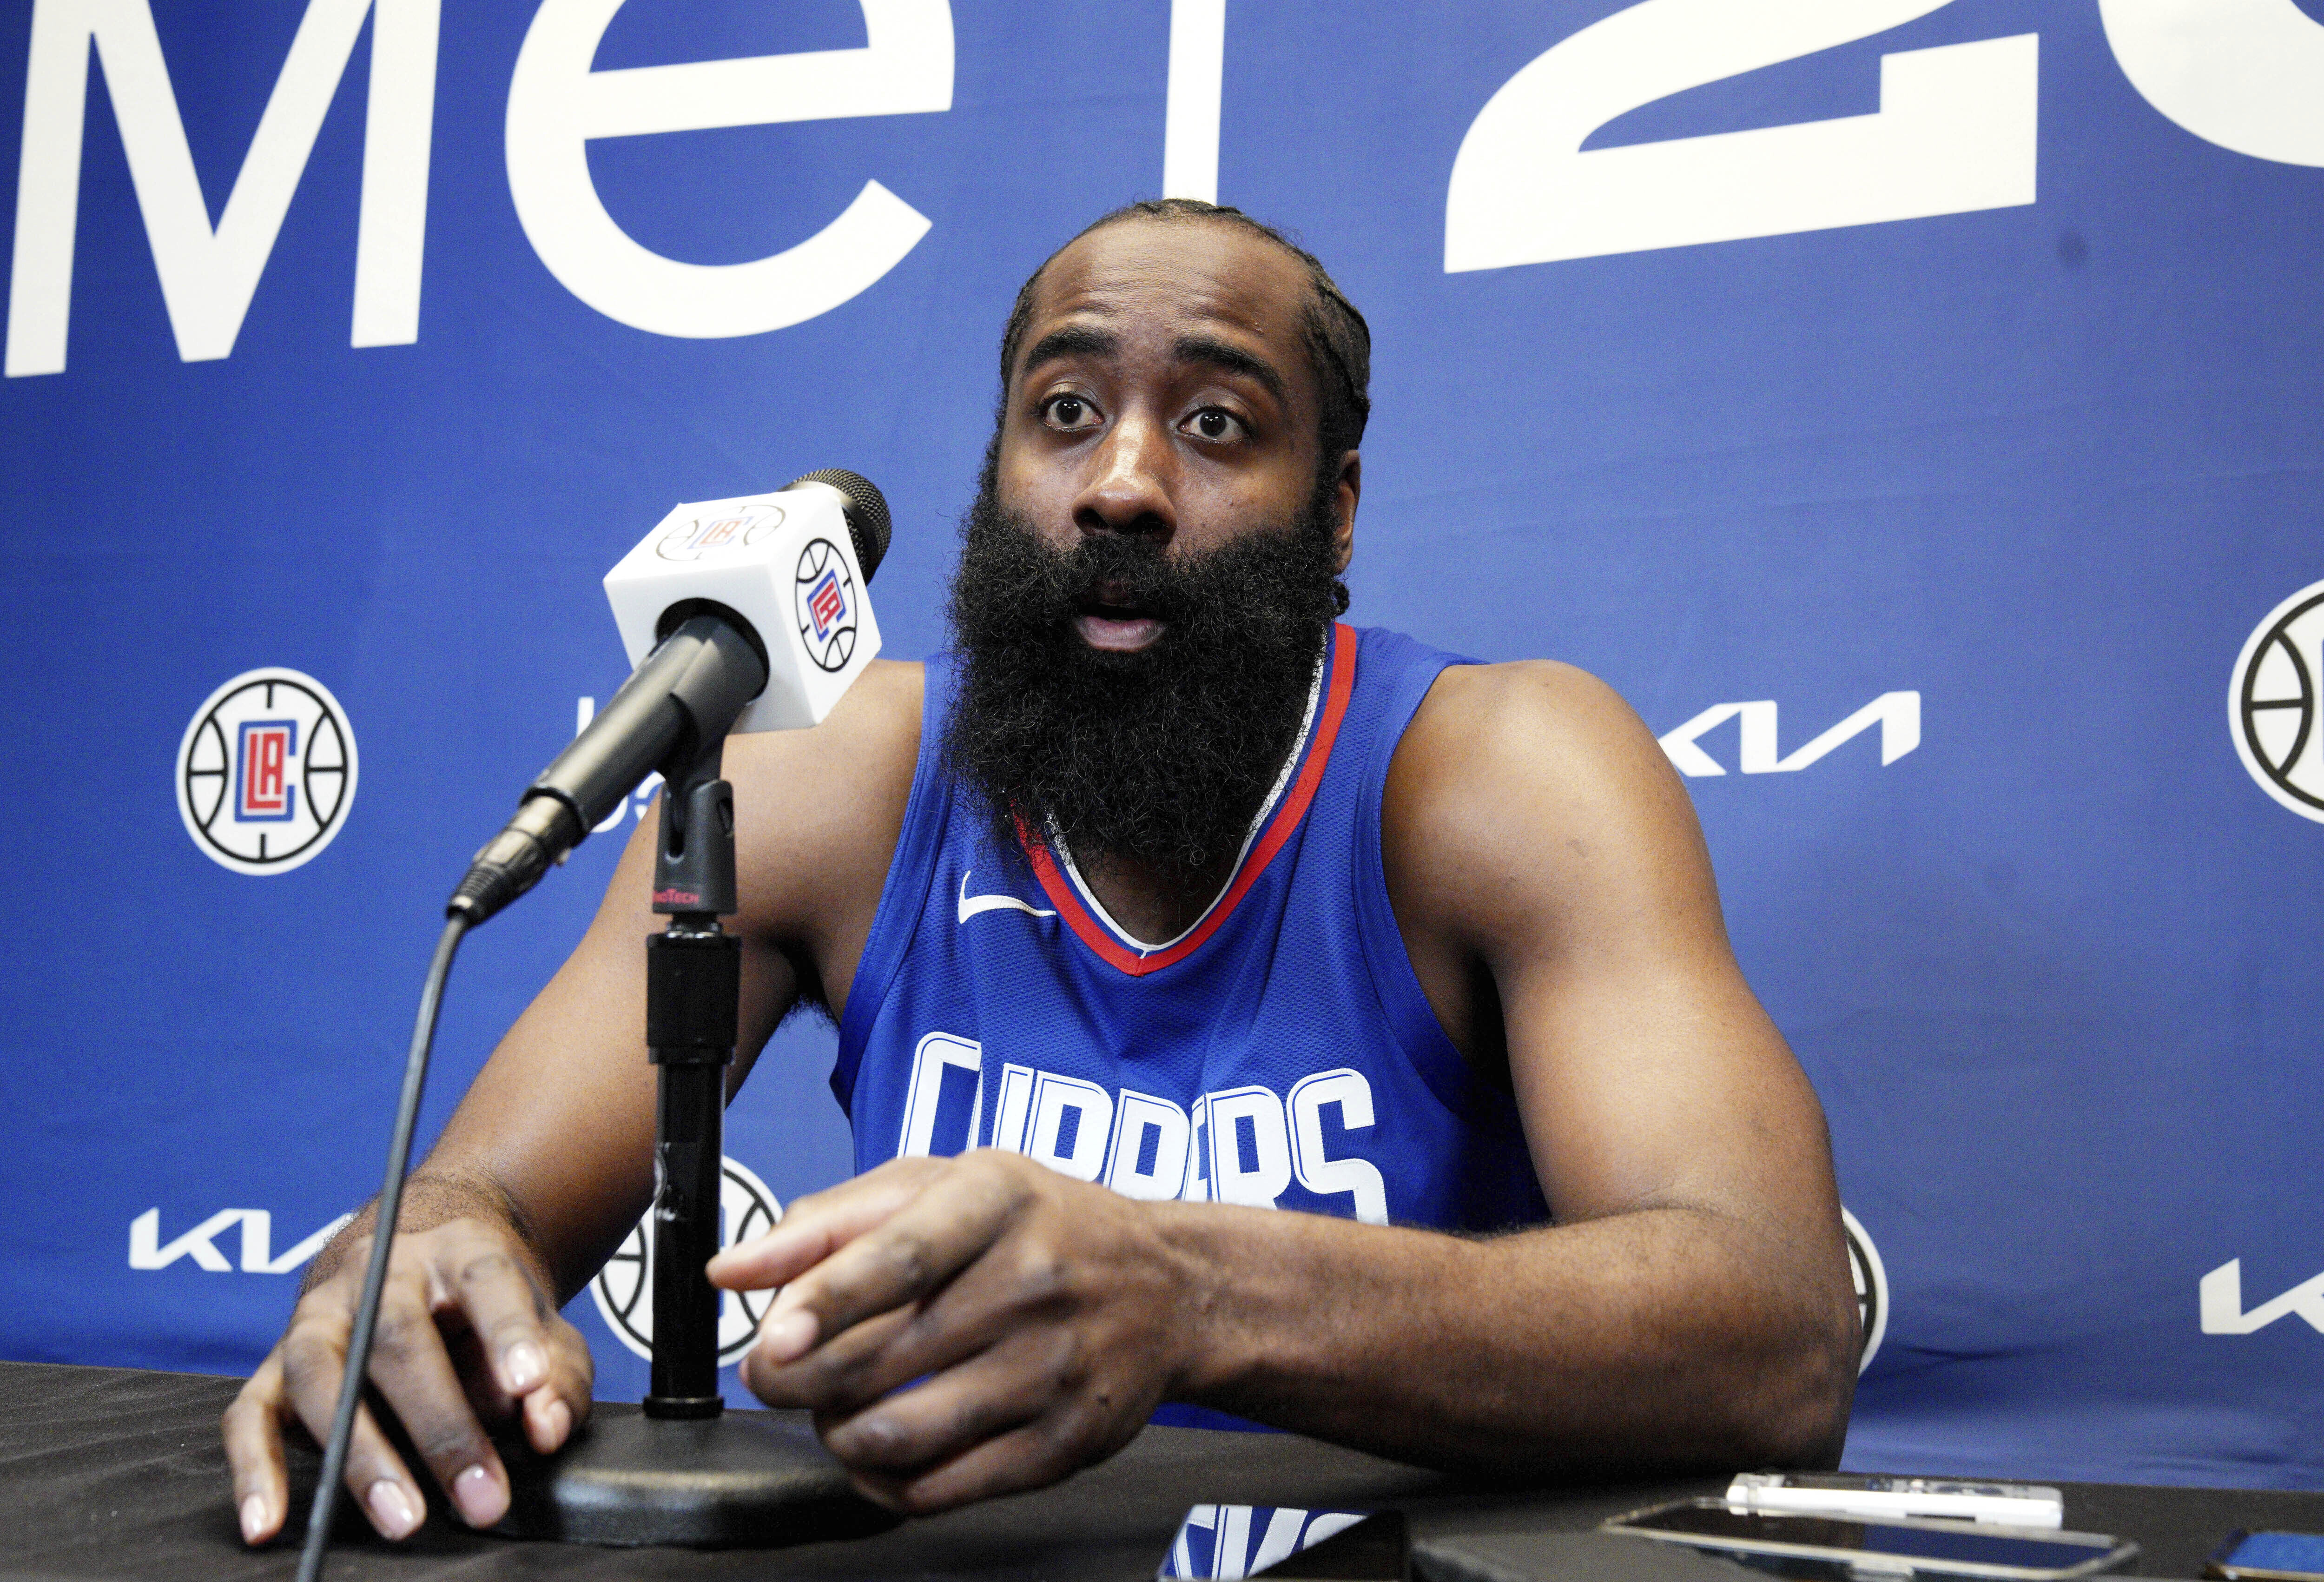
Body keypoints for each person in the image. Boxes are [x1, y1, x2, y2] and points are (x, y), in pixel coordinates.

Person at [223, 199, 1858, 1548]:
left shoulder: (1499, 773)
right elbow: (484, 1200)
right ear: (1002, 464)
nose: (1124, 481)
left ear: (1337, 509)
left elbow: (1774, 1330)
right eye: (1064, 413)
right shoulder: (825, 775)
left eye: (1218, 424)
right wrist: (424, 1254)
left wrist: (1188, 1289)